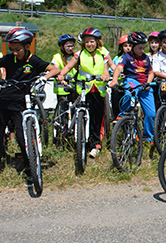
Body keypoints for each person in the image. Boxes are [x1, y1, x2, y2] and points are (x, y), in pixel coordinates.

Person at [0, 28, 60, 182]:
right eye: (12, 49)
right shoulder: (8, 59)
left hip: (21, 102)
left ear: (27, 46)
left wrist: (44, 78)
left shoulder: (34, 61)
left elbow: (55, 69)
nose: (15, 52)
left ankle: (29, 168)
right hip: (4, 99)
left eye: (18, 49)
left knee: (22, 136)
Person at [57, 27, 111, 158]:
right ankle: (79, 139)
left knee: (96, 118)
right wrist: (61, 75)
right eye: (87, 42)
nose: (89, 44)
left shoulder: (102, 56)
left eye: (92, 42)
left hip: (98, 91)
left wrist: (106, 77)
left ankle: (95, 144)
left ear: (97, 42)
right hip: (82, 90)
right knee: (80, 113)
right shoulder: (79, 55)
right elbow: (68, 66)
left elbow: (106, 71)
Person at [110, 31, 156, 144]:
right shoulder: (126, 57)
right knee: (129, 93)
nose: (142, 51)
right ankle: (122, 115)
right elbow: (118, 68)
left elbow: (151, 73)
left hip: (145, 85)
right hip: (132, 81)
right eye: (139, 48)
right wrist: (114, 80)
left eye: (143, 48)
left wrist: (148, 83)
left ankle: (147, 136)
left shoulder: (146, 58)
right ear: (132, 46)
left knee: (151, 114)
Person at [110, 35, 131, 120]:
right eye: (125, 46)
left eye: (130, 45)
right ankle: (116, 120)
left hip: (129, 85)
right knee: (116, 104)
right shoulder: (117, 58)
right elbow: (111, 70)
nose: (128, 48)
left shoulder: (134, 58)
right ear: (121, 47)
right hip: (118, 85)